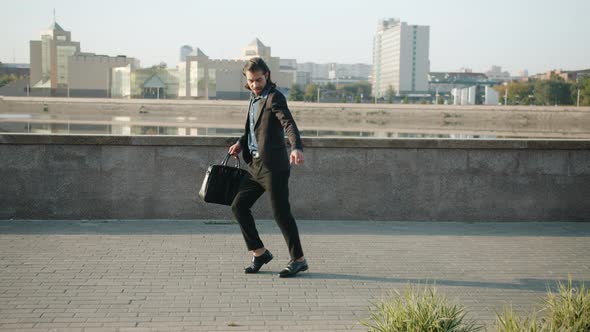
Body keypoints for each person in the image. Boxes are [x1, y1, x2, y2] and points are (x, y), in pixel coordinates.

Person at [228, 57, 307, 278]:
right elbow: (252, 131)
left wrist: (296, 147)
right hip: (255, 165)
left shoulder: (274, 97)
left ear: (267, 75)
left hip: (274, 167)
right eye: (251, 81)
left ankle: (299, 259)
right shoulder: (253, 99)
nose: (255, 84)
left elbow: (288, 123)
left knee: (281, 214)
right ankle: (260, 253)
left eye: (259, 79)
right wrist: (240, 143)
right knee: (238, 206)